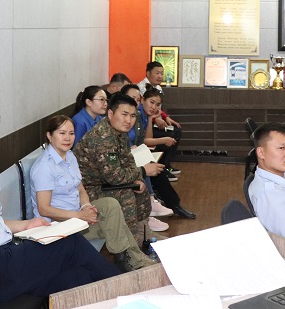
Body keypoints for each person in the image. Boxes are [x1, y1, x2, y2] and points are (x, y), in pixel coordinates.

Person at [0, 94, 118, 304]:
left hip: (2, 256)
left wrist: (26, 225)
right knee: (72, 243)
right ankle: (131, 291)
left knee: (78, 278)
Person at [29, 115, 155, 271]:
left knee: (110, 205)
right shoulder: (44, 167)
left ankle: (127, 260)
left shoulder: (70, 156)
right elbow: (44, 209)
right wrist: (79, 215)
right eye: (62, 133)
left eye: (71, 133)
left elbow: (80, 188)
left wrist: (86, 206)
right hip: (58, 225)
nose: (68, 138)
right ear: (49, 135)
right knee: (113, 225)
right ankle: (130, 261)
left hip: (76, 215)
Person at [75, 94, 195, 245]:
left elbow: (127, 160)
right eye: (124, 114)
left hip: (104, 181)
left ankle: (143, 232)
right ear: (111, 113)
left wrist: (137, 178)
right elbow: (115, 177)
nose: (129, 120)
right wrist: (143, 171)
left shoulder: (118, 132)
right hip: (88, 190)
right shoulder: (103, 138)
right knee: (127, 193)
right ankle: (130, 244)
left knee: (140, 187)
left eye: (132, 116)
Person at [119, 83, 173, 232]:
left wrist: (150, 119)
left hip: (131, 155)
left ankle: (152, 203)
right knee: (146, 167)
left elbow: (141, 140)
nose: (135, 102)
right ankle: (151, 205)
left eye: (137, 99)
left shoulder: (136, 116)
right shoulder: (123, 119)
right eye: (132, 98)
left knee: (150, 164)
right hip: (122, 164)